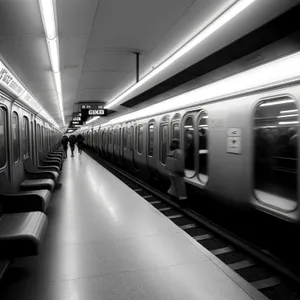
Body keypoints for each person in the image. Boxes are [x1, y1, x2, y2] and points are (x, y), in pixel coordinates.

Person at [166, 139, 188, 208]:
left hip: (171, 173)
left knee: (174, 186)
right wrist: (182, 172)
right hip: (178, 174)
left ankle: (171, 197)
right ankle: (183, 203)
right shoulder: (179, 152)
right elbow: (181, 164)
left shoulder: (171, 151)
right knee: (181, 189)